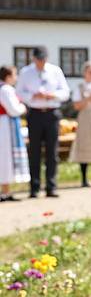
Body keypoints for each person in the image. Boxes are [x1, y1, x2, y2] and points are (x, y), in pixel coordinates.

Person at [16, 46, 70, 198]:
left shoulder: (55, 71)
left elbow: (65, 92)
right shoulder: (26, 72)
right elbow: (19, 92)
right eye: (38, 59)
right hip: (35, 114)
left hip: (51, 114)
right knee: (34, 151)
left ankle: (51, 186)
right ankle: (34, 187)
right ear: (33, 59)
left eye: (43, 59)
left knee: (52, 152)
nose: (40, 62)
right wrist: (33, 96)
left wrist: (52, 95)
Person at [0, 66, 30, 201]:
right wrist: (22, 108)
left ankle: (5, 190)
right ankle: (4, 191)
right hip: (5, 126)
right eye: (15, 75)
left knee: (6, 159)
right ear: (8, 76)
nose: (16, 78)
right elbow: (13, 109)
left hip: (7, 125)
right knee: (5, 157)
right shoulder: (5, 89)